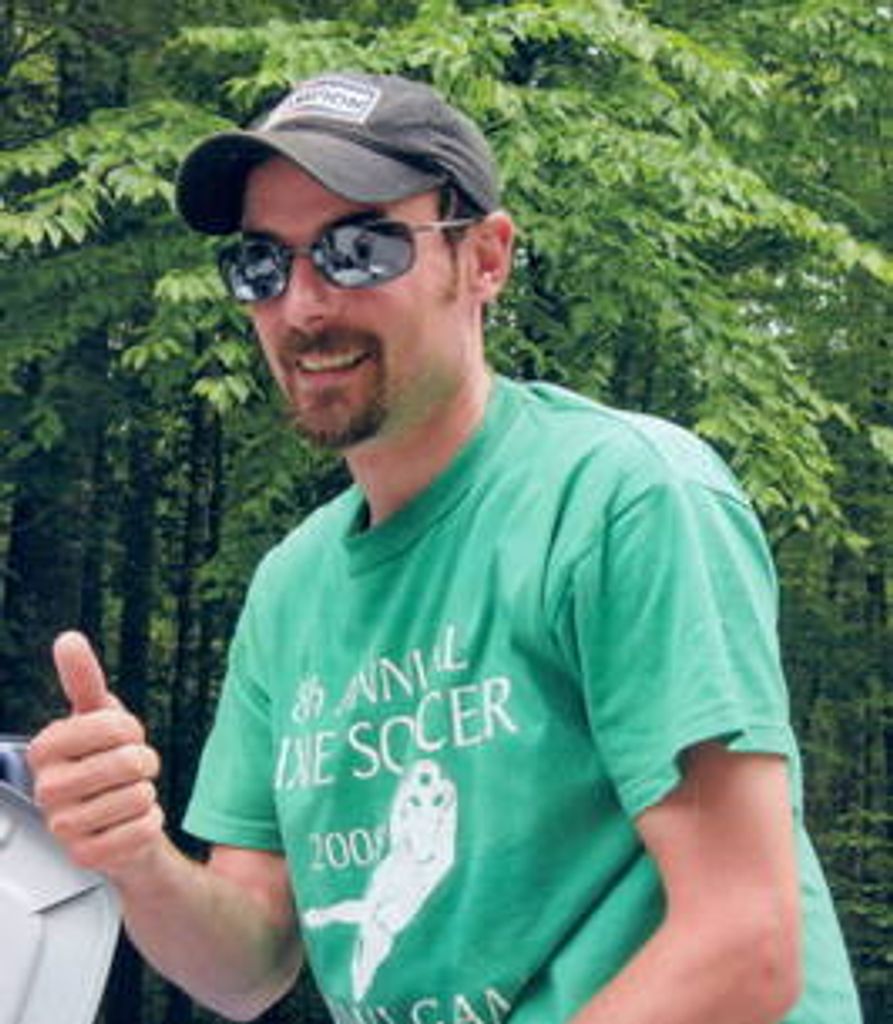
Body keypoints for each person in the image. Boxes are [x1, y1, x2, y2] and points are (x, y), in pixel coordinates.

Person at [27, 71, 862, 1024]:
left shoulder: (622, 497)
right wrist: (135, 856)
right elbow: (244, 970)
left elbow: (745, 942)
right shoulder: (293, 587)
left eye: (358, 247)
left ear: (486, 259)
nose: (302, 306)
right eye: (262, 263)